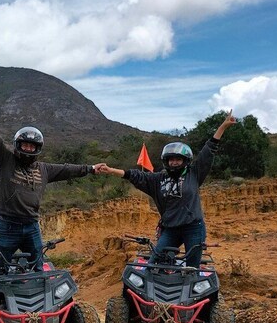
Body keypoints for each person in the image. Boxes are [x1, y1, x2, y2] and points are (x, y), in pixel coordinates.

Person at [0, 96, 105, 274]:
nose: (28, 149)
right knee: (1, 270)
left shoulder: (44, 169)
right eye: (24, 145)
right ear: (18, 145)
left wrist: (91, 168)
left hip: (31, 226)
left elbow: (67, 169)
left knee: (38, 269)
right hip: (7, 224)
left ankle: (38, 302)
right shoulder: (6, 160)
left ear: (37, 148)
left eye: (32, 146)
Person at [96, 111, 237, 268]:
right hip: (170, 228)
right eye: (171, 159)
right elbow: (134, 175)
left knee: (192, 267)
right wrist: (111, 170)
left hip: (193, 228)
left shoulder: (194, 174)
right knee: (155, 264)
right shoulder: (158, 179)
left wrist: (223, 126)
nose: (174, 162)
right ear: (166, 161)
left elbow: (209, 150)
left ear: (185, 160)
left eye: (178, 159)